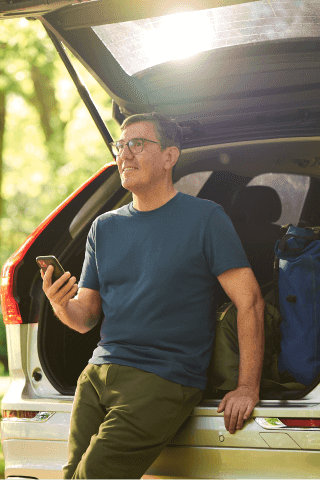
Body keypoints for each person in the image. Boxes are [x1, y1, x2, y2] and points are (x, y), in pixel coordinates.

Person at [42, 113, 264, 480]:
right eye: (120, 145)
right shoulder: (104, 227)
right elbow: (85, 318)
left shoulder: (205, 218)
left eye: (137, 144)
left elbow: (250, 301)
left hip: (161, 378)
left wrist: (247, 388)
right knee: (71, 475)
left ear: (169, 156)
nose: (124, 154)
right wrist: (59, 302)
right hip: (96, 376)